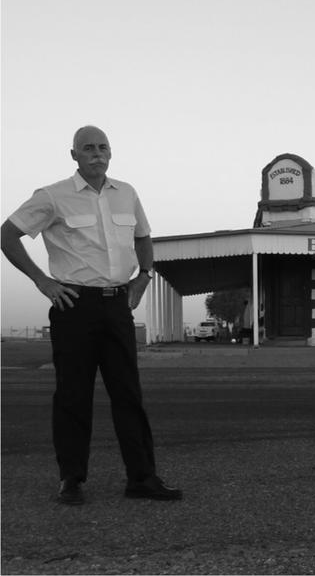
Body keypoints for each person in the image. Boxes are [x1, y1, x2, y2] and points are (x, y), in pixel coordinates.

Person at [1, 125, 182, 505]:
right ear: (74, 155)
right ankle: (71, 480)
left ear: (111, 152)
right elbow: (6, 234)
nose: (96, 153)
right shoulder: (52, 196)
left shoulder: (127, 193)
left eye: (102, 147)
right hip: (73, 307)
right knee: (72, 395)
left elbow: (143, 236)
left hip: (118, 305)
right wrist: (42, 281)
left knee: (128, 395)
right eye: (87, 148)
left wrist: (144, 277)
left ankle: (142, 479)